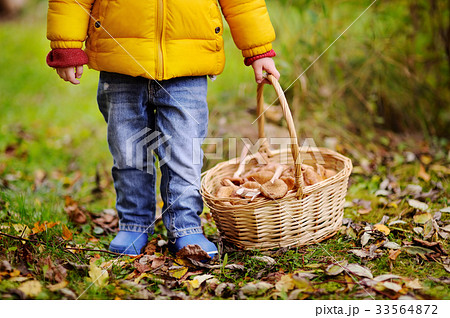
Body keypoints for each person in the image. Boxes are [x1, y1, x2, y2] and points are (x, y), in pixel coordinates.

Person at [46, 0, 280, 258]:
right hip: (120, 59)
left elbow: (243, 3)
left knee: (183, 151)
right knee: (129, 151)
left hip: (189, 62)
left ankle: (185, 225)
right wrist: (66, 44)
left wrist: (258, 49)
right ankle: (134, 223)